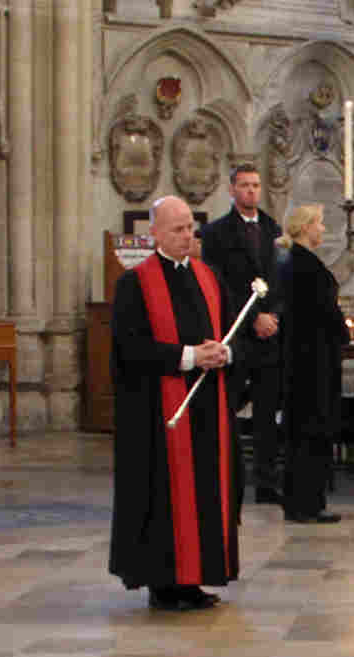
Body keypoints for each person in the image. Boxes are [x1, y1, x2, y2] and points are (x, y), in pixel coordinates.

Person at [109, 195, 239, 612]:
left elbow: (234, 332)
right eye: (177, 229)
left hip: (207, 409)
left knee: (204, 493)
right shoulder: (135, 284)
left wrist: (225, 353)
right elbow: (129, 350)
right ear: (155, 234)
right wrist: (189, 357)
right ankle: (163, 584)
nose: (187, 236)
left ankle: (194, 579)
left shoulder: (209, 277)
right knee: (165, 498)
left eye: (190, 228)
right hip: (158, 413)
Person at [201, 164, 284, 504]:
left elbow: (280, 278)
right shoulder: (216, 233)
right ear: (232, 189)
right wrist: (253, 319)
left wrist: (274, 315)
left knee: (267, 413)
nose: (251, 191)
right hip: (237, 334)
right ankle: (226, 476)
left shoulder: (273, 229)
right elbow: (220, 285)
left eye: (256, 185)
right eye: (245, 185)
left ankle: (266, 482)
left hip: (269, 337)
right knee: (228, 407)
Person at [276, 203, 345, 525]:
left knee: (306, 430)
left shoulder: (298, 261)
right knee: (309, 430)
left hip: (308, 357)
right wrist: (343, 331)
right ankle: (305, 503)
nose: (323, 229)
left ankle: (306, 501)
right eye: (319, 223)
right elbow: (322, 309)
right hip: (310, 361)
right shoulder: (302, 265)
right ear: (305, 227)